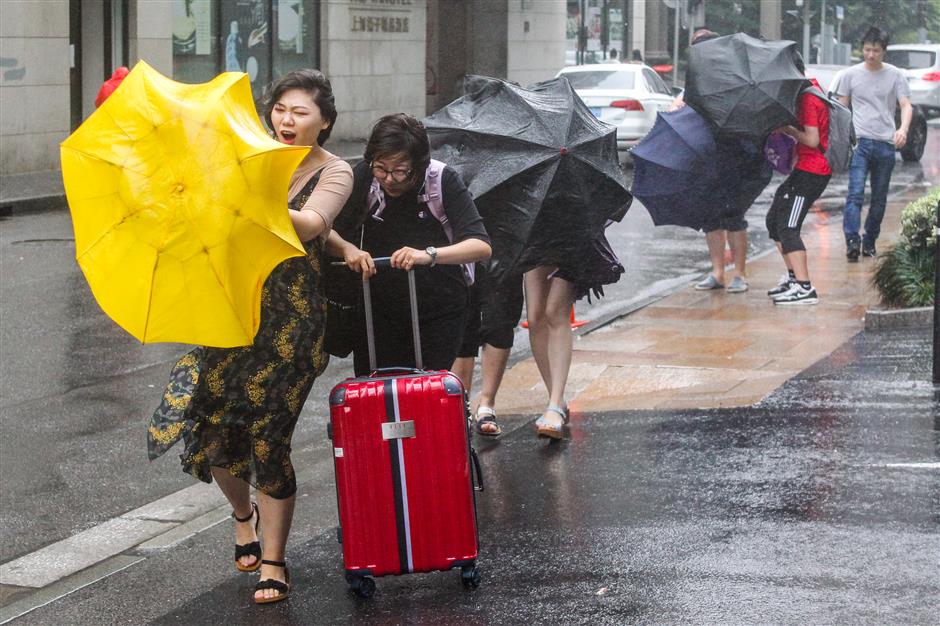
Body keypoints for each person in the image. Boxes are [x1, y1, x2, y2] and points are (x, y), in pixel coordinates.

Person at [148, 69, 353, 605]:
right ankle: (243, 515)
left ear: (324, 122)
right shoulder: (247, 155)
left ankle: (274, 561)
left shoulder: (336, 171)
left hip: (293, 322)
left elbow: (309, 224)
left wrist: (236, 200)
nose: (286, 120)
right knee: (214, 434)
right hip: (231, 311)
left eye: (300, 112)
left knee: (269, 438)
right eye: (281, 109)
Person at [328, 113, 491, 376]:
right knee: (376, 388)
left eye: (400, 171)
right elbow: (326, 230)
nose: (389, 179)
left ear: (420, 164)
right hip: (377, 307)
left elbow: (480, 245)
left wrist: (428, 255)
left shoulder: (442, 180)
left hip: (439, 308)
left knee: (425, 389)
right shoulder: (364, 176)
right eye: (381, 168)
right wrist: (349, 250)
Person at [670, 28, 772, 294]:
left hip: (739, 158)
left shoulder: (732, 76)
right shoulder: (694, 81)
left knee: (733, 216)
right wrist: (679, 107)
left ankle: (739, 273)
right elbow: (683, 110)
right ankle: (717, 272)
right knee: (711, 217)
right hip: (707, 159)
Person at [836, 27, 912, 261]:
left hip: (885, 143)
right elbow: (841, 108)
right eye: (867, 49)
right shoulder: (850, 75)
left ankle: (870, 240)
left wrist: (903, 129)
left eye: (876, 50)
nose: (870, 55)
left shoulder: (895, 75)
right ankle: (852, 240)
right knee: (855, 193)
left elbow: (906, 105)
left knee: (879, 197)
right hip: (860, 143)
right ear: (862, 49)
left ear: (883, 51)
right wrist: (842, 139)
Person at [765, 53, 831, 305]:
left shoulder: (807, 97)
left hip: (813, 170)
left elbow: (813, 140)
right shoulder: (809, 90)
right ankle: (794, 278)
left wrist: (788, 130)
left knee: (788, 226)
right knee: (774, 220)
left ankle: (805, 288)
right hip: (805, 167)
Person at [451, 267, 525, 437]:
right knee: (461, 318)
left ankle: (487, 403)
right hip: (459, 247)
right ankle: (462, 408)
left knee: (500, 318)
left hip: (503, 248)